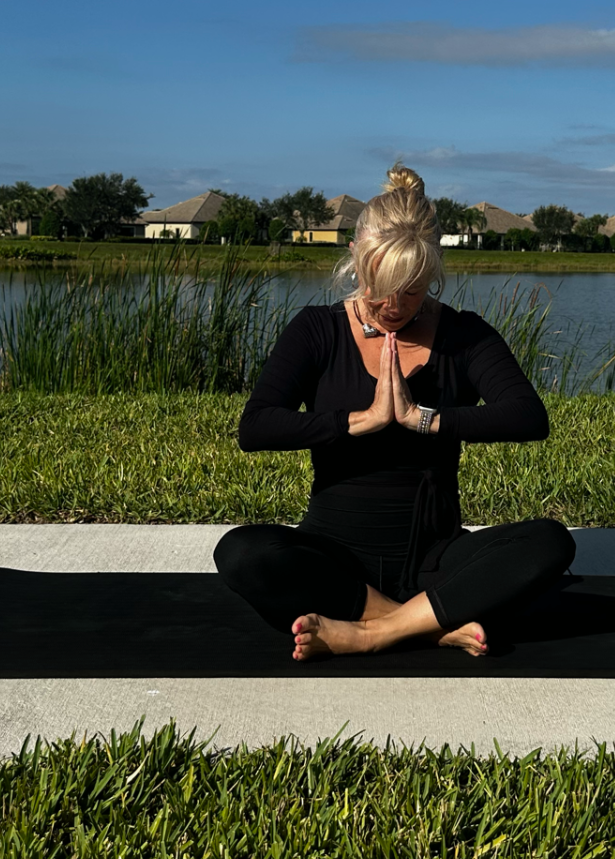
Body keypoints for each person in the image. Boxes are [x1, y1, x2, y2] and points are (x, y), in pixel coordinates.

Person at [214, 165, 575, 661]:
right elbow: (254, 427)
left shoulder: (464, 335)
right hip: (334, 560)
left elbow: (530, 418)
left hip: (436, 560)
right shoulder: (317, 329)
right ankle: (429, 625)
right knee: (240, 553)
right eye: (380, 285)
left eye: (412, 288)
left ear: (432, 273)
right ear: (355, 259)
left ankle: (370, 633)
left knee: (549, 543)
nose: (393, 305)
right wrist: (360, 420)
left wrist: (424, 419)